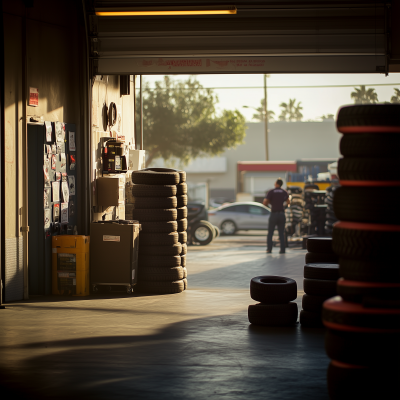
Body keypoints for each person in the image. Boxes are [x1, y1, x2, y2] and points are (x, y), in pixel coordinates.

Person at [263, 178, 290, 254]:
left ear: (276, 183)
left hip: (274, 214)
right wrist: (284, 207)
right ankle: (282, 250)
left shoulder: (271, 191)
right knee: (281, 233)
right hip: (282, 214)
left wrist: (271, 203)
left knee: (270, 232)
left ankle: (269, 249)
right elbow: (288, 202)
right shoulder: (284, 192)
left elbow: (265, 203)